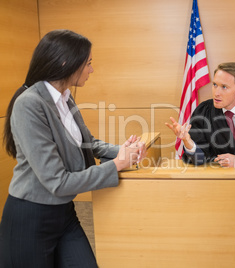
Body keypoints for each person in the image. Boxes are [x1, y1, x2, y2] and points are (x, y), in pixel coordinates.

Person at [0, 29, 146, 267]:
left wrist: (124, 150)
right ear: (67, 63)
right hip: (31, 217)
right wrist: (118, 164)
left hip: (64, 212)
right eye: (88, 63)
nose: (91, 70)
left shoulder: (65, 97)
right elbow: (57, 182)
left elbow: (87, 142)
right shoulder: (29, 104)